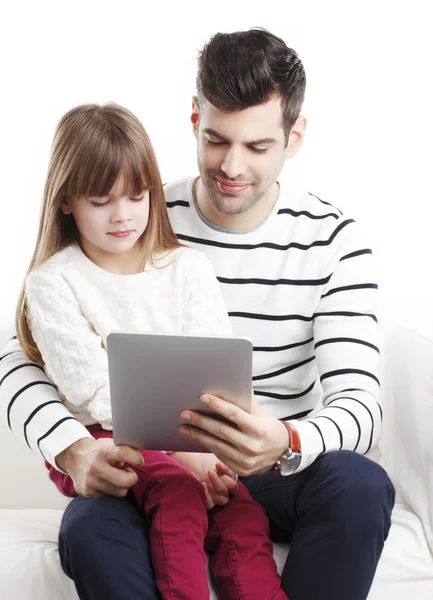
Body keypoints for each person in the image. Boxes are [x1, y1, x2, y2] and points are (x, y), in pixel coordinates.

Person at [0, 28, 395, 600]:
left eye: (258, 146)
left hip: (275, 467)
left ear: (295, 135)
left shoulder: (334, 241)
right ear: (193, 117)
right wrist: (72, 447)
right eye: (216, 140)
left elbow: (361, 406)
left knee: (360, 486)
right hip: (155, 460)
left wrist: (283, 440)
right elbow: (20, 358)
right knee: (89, 528)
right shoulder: (133, 212)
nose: (232, 165)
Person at [12, 102, 287, 600]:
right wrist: (184, 457)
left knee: (242, 514)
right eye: (101, 201)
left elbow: (215, 370)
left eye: (137, 197)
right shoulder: (53, 281)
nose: (122, 216)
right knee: (178, 495)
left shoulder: (186, 268)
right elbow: (92, 388)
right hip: (105, 435)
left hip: (194, 433)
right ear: (66, 201)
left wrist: (207, 450)